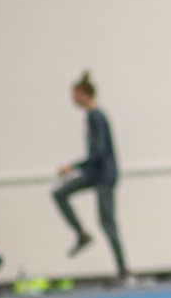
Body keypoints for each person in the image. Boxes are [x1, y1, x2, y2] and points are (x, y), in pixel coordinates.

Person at [52, 71, 130, 283]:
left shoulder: (97, 116)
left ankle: (124, 271)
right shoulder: (91, 116)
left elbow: (99, 152)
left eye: (75, 95)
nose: (73, 100)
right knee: (60, 193)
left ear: (84, 94)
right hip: (95, 172)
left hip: (103, 175)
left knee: (107, 222)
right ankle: (81, 234)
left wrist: (74, 166)